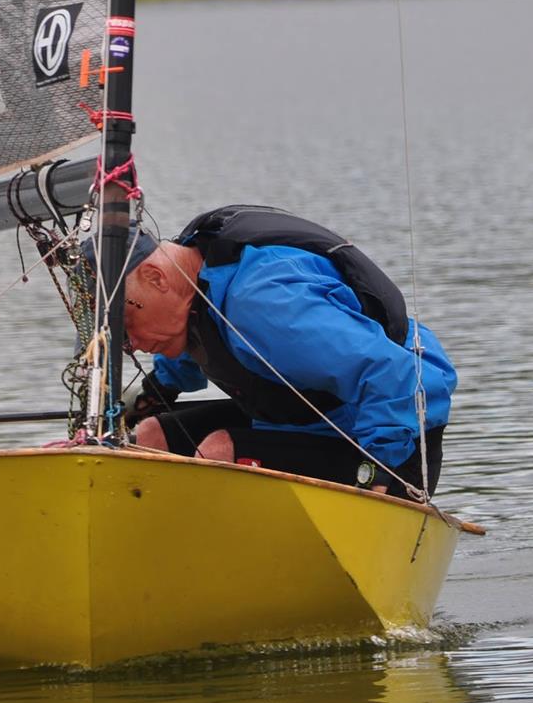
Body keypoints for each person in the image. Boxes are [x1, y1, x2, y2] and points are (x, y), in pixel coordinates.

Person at [109, 205, 457, 500]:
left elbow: (392, 375)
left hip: (398, 435)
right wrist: (159, 390)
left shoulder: (265, 305)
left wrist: (383, 470)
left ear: (157, 278)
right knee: (150, 438)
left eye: (128, 323)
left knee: (218, 453)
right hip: (303, 423)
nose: (132, 345)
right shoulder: (196, 277)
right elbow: (200, 340)